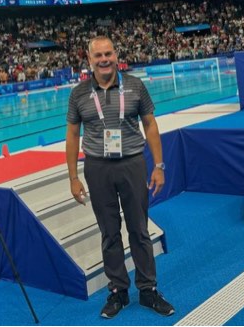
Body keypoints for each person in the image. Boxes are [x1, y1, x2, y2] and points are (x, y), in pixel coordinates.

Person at [66, 35, 174, 319]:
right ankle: (118, 291)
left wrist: (159, 166)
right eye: (98, 55)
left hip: (132, 164)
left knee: (139, 229)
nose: (104, 60)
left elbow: (150, 124)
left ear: (116, 55)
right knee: (109, 232)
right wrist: (73, 177)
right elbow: (73, 134)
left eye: (108, 54)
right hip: (97, 167)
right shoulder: (78, 94)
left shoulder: (135, 85)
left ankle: (148, 289)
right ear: (89, 60)